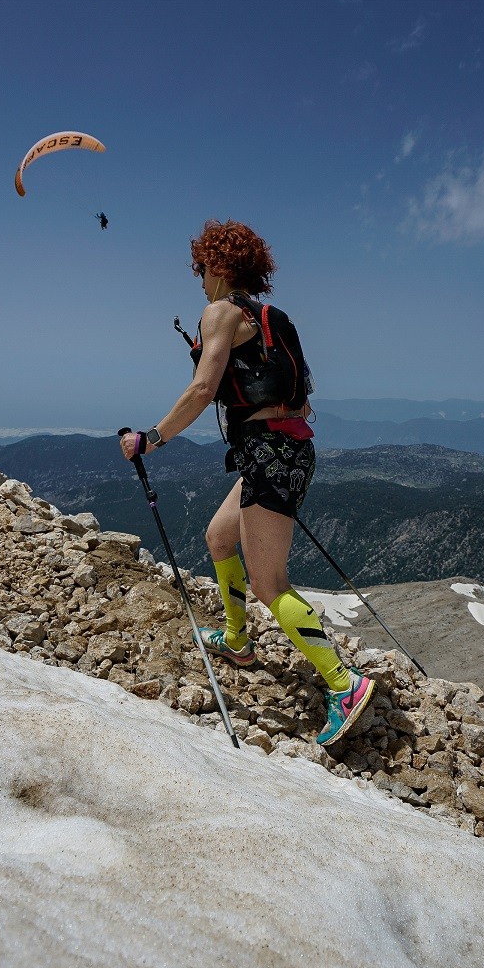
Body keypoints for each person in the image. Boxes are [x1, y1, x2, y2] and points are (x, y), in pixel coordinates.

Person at [119, 219, 375, 746]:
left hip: (269, 455)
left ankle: (344, 684)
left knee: (268, 583)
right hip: (285, 448)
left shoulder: (219, 312)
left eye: (201, 266)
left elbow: (201, 389)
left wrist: (150, 438)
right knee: (218, 536)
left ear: (217, 264)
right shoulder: (271, 317)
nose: (198, 277)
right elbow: (299, 395)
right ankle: (238, 640)